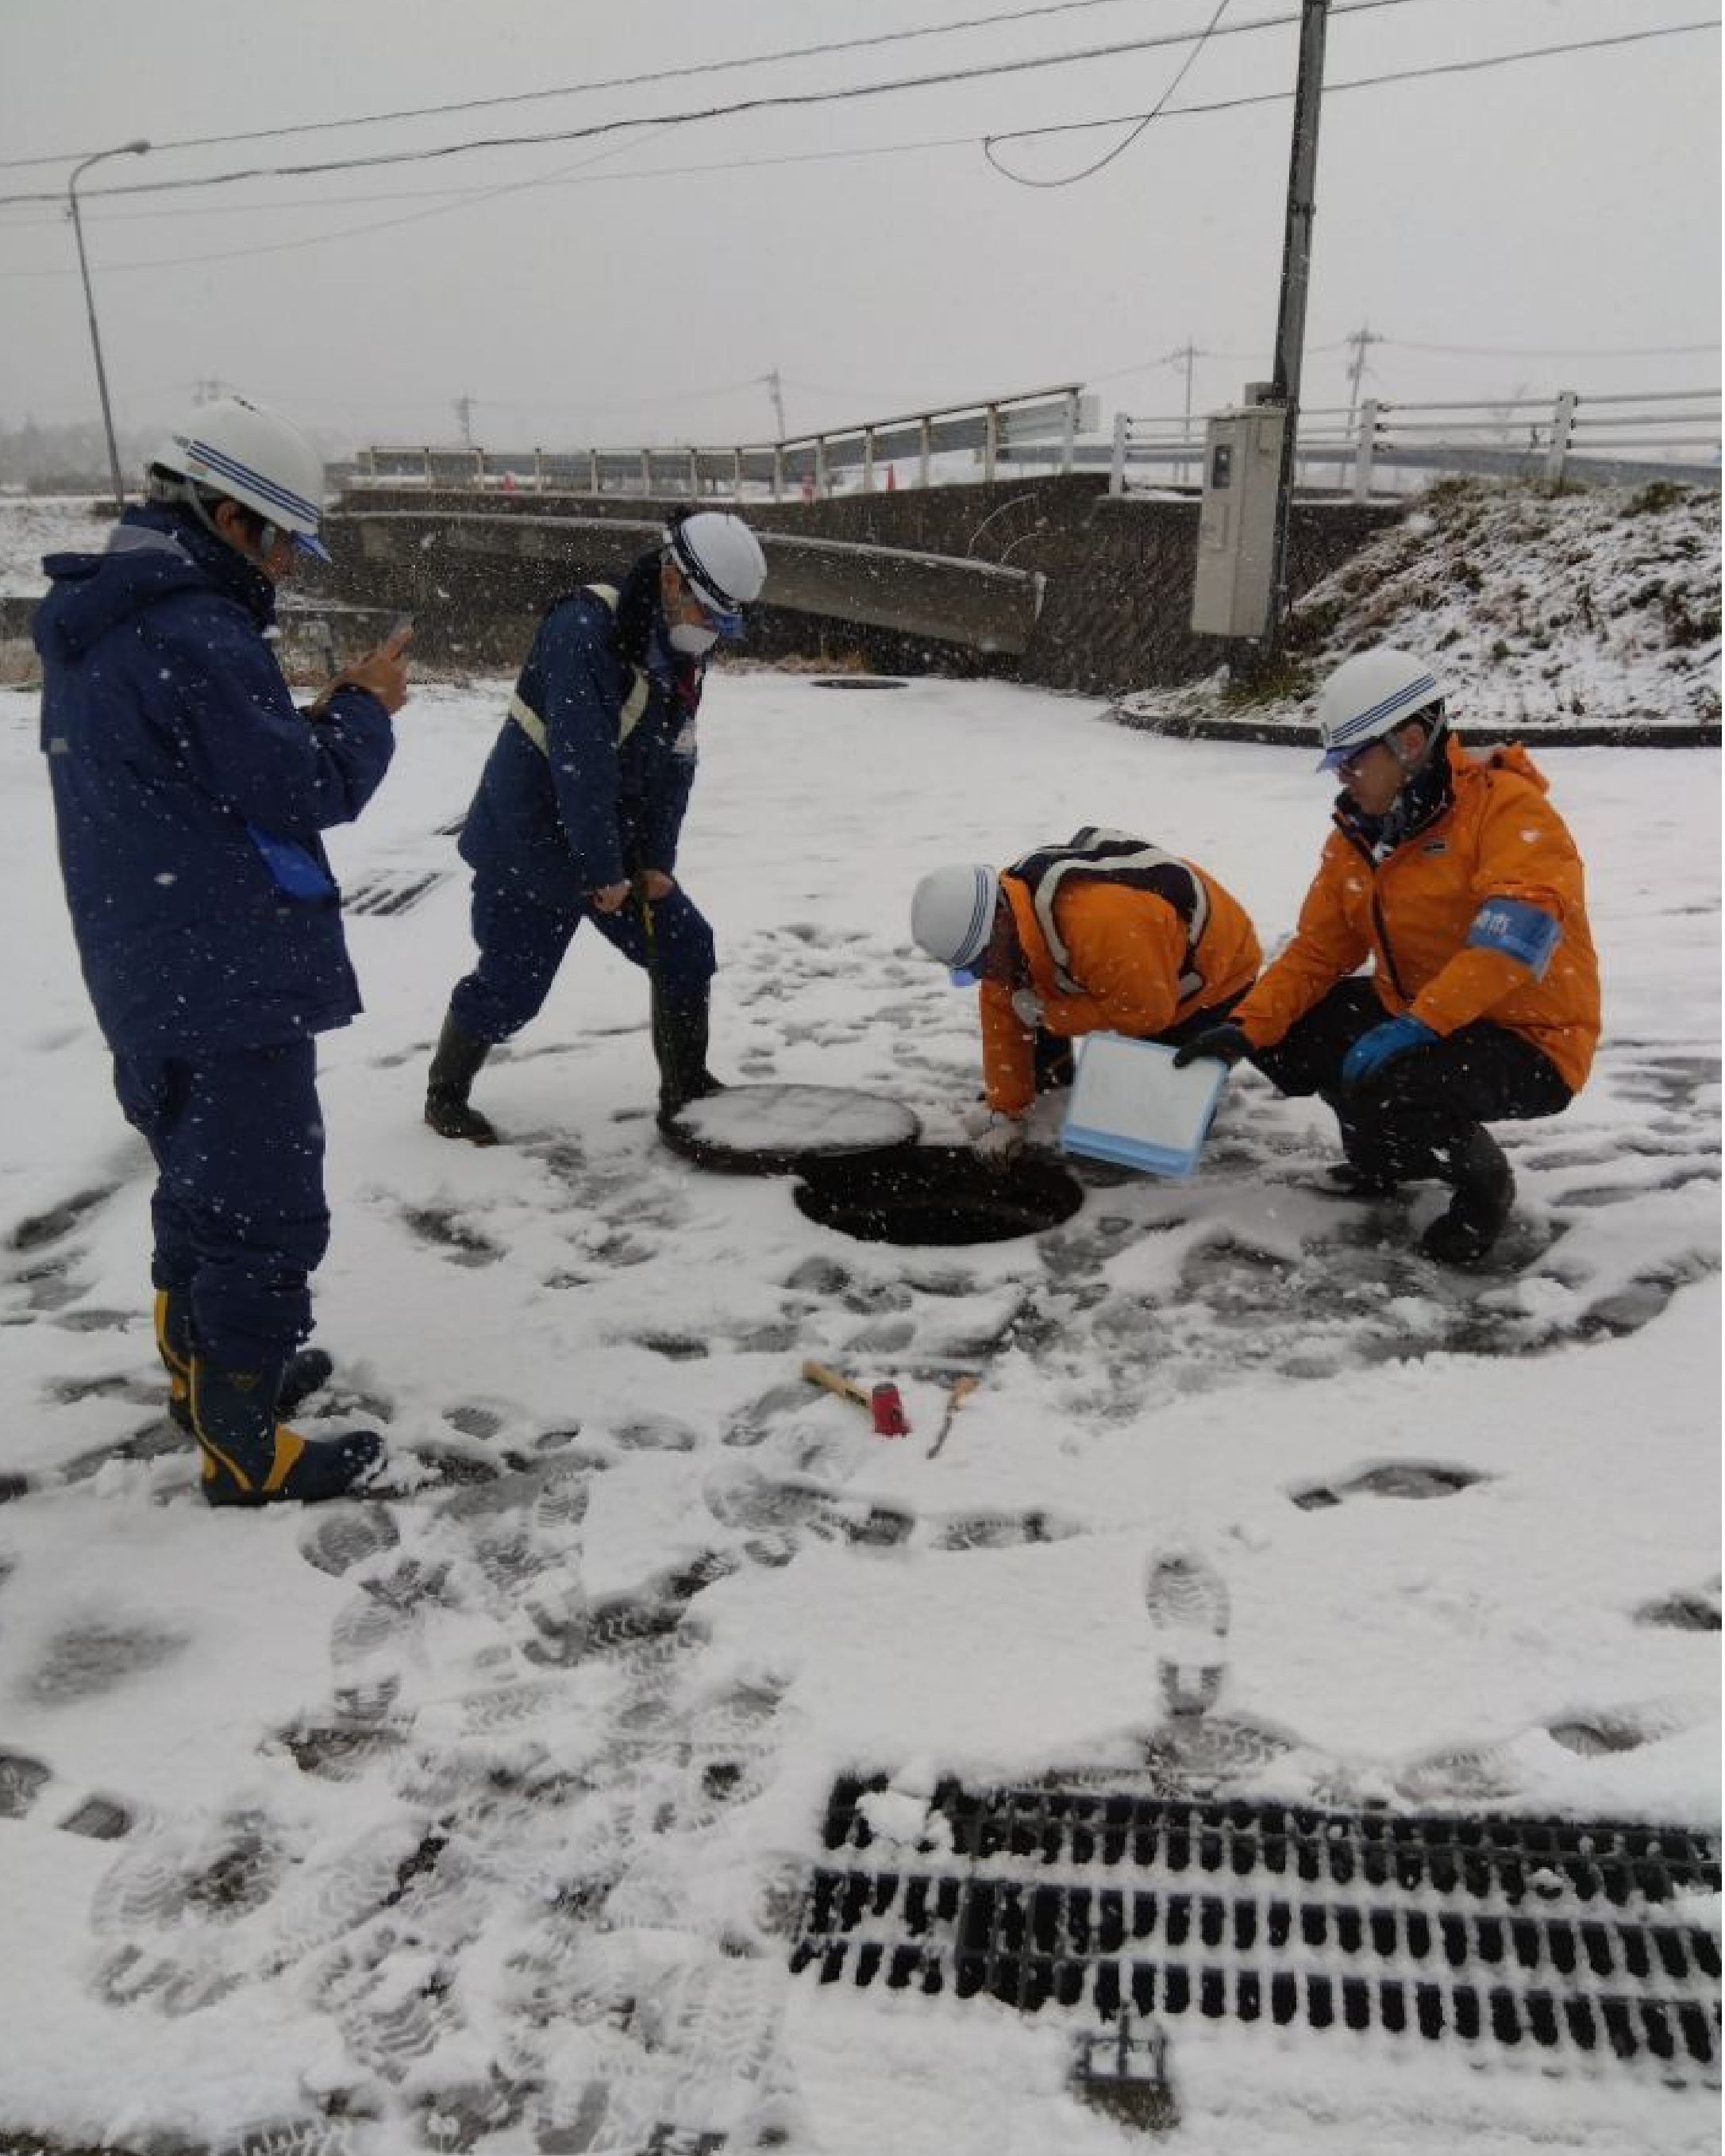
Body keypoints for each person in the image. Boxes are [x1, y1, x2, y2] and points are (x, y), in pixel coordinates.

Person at [35, 395, 410, 1504]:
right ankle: (245, 1442)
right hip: (225, 974)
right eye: (287, 540)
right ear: (227, 515)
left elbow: (212, 774)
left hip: (149, 961)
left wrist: (312, 710)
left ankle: (200, 1371)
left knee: (201, 1188)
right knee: (262, 1205)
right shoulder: (193, 630)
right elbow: (303, 785)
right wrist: (364, 707)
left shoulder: (110, 621)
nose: (292, 567)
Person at [1174, 646, 1600, 1263]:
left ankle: (1482, 1185)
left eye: (1351, 760)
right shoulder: (1356, 837)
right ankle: (1380, 1161)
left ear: (1408, 740)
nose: (1342, 776)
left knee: (1396, 1080)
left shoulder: (1507, 811)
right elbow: (1318, 951)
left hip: (1528, 1037)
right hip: (1422, 1014)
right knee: (1296, 1032)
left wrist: (1417, 1026)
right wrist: (1247, 1027)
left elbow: (1510, 943)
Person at [424, 508, 768, 1142]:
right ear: (671, 579)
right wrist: (601, 870)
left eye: (727, 622)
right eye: (709, 614)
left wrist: (654, 860)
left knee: (685, 945)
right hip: (528, 843)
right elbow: (580, 769)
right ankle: (444, 1092)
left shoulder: (684, 654)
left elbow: (676, 763)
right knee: (511, 988)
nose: (715, 632)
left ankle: (685, 1089)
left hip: (614, 845)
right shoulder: (584, 629)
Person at [911, 829, 1262, 1162]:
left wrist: (1050, 1013)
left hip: (1214, 977)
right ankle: (1054, 1084)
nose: (982, 975)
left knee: (1152, 1122)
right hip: (1132, 968)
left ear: (998, 925)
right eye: (970, 970)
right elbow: (1003, 1018)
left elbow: (1148, 1013)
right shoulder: (1009, 927)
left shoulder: (1101, 924)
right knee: (1027, 1003)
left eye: (979, 964)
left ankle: (1202, 1085)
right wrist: (1006, 1111)